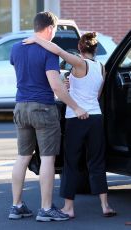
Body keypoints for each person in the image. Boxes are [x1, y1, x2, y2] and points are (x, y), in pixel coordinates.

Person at [23, 31, 117, 218]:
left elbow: (57, 50)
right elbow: (96, 96)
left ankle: (69, 208)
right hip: (95, 117)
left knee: (71, 163)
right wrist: (71, 85)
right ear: (95, 49)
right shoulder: (101, 67)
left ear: (80, 49)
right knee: (97, 161)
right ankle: (105, 205)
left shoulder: (79, 63)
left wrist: (36, 39)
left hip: (76, 119)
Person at [9, 11, 88, 222]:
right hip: (43, 108)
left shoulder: (16, 48)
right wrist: (76, 106)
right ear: (50, 28)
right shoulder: (48, 52)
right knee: (47, 158)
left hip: (20, 107)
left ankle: (16, 206)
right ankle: (45, 209)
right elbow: (54, 85)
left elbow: (26, 73)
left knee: (22, 157)